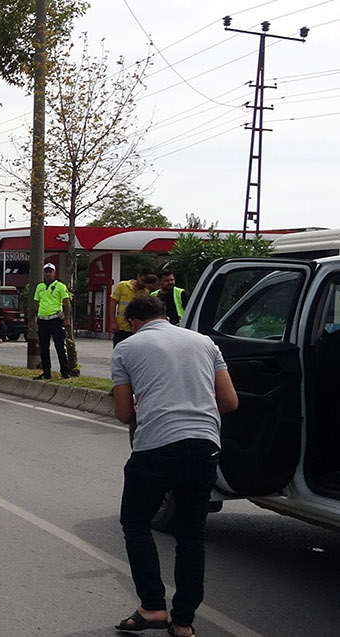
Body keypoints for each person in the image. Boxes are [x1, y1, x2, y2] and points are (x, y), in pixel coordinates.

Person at [110, 295, 238, 637]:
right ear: (166, 316)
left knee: (135, 522)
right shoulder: (205, 342)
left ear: (134, 322)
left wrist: (147, 405)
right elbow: (229, 400)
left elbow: (124, 414)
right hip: (205, 447)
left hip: (156, 448)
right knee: (191, 535)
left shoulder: (127, 348)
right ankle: (183, 623)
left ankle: (152, 606)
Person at [33, 263, 73, 380]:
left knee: (60, 346)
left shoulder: (60, 286)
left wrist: (67, 318)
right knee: (44, 347)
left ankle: (65, 372)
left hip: (55, 319)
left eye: (50, 272)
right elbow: (35, 303)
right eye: (46, 271)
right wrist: (30, 319)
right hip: (42, 320)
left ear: (54, 273)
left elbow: (66, 302)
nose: (48, 274)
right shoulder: (40, 287)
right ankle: (46, 372)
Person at [109, 270, 160, 346]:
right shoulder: (123, 285)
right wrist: (113, 322)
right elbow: (113, 303)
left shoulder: (146, 292)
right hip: (121, 327)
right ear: (138, 276)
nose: (143, 284)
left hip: (137, 328)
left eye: (146, 281)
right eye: (143, 280)